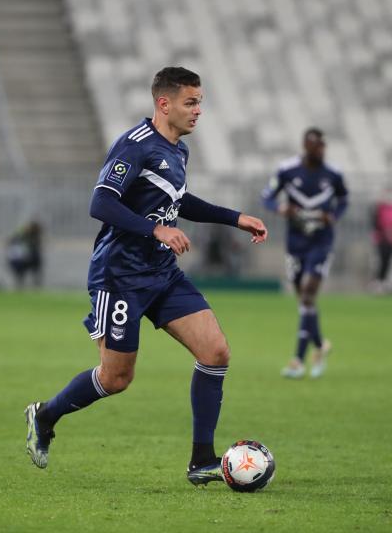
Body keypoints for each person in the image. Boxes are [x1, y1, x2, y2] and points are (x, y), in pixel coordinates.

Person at [23, 67, 268, 485]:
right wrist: (155, 228)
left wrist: (235, 218)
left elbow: (178, 199)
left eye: (200, 102)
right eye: (191, 102)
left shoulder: (178, 151)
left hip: (162, 273)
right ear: (164, 103)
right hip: (119, 276)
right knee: (116, 378)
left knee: (215, 352)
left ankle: (202, 461)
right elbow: (101, 202)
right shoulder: (135, 145)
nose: (198, 111)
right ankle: (45, 415)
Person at [261, 128, 348, 379]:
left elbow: (343, 200)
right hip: (296, 243)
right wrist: (280, 208)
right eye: (315, 146)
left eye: (322, 146)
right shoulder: (287, 170)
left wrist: (333, 216)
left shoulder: (333, 174)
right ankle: (320, 346)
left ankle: (298, 359)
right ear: (305, 146)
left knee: (308, 295)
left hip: (321, 243)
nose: (319, 150)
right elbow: (267, 196)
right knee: (304, 301)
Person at [370, 194, 392, 293]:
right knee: (381, 260)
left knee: (389, 261)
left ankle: (386, 282)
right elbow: (376, 223)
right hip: (382, 239)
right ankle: (379, 282)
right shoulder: (380, 209)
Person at [6, 221, 43, 288]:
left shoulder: (32, 239)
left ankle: (33, 284)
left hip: (26, 259)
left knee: (30, 272)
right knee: (21, 274)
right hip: (21, 259)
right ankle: (21, 284)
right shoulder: (21, 238)